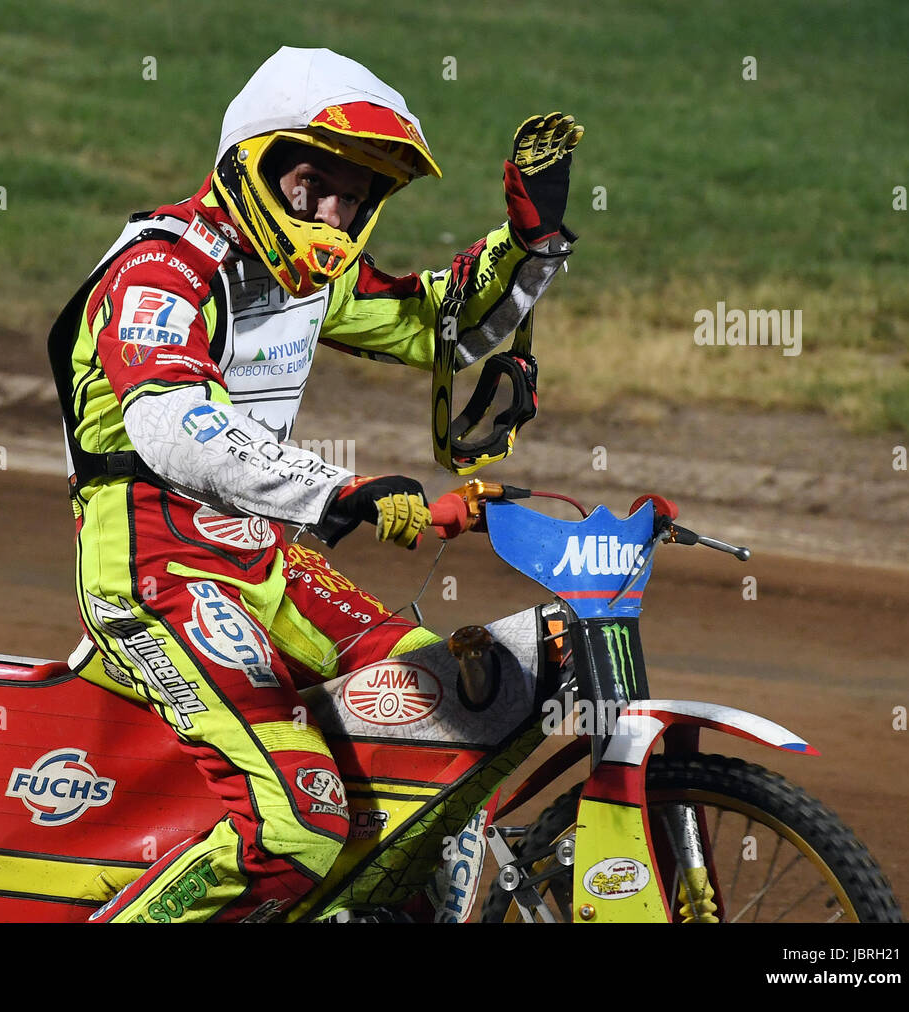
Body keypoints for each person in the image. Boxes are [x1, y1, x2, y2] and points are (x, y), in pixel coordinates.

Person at [47, 46, 582, 922]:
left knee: (453, 721)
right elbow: (172, 421)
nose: (334, 214)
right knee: (300, 826)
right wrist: (341, 493)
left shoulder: (306, 278)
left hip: (263, 560)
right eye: (313, 185)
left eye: (357, 195)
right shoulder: (162, 268)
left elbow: (442, 323)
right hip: (151, 569)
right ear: (251, 163)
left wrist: (532, 246)